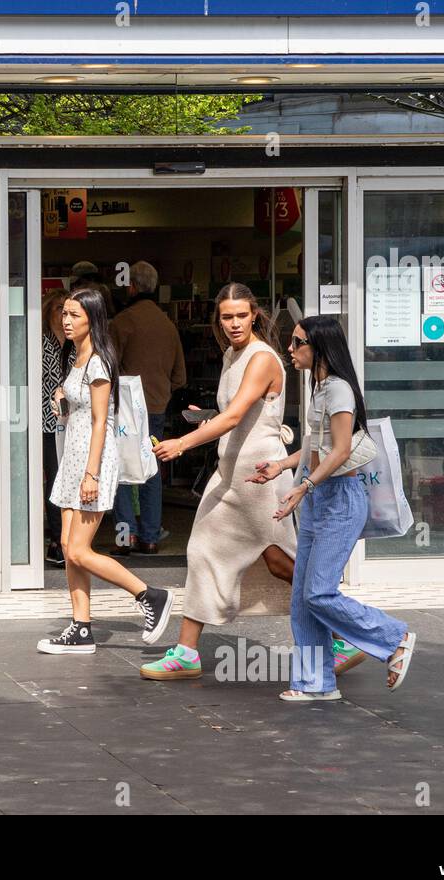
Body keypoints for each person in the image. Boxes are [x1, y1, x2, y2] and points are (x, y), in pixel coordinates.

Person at [250, 315, 416, 701]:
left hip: (340, 498)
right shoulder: (321, 388)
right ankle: (315, 683)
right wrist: (282, 466)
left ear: (320, 347)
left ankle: (394, 637)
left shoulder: (339, 390)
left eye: (297, 343)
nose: (289, 350)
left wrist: (304, 487)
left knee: (320, 593)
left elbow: (341, 451)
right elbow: (315, 446)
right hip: (320, 499)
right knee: (302, 599)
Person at [144, 283, 297, 678]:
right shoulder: (233, 354)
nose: (233, 324)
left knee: (280, 562)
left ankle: (340, 633)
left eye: (241, 315)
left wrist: (182, 443)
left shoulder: (261, 358)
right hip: (231, 472)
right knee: (202, 551)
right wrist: (206, 416)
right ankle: (187, 652)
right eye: (226, 317)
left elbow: (235, 418)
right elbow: (235, 413)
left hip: (260, 476)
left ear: (255, 315)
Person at [38, 287, 173, 654]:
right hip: (73, 457)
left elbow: (101, 422)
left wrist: (91, 473)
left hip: (91, 460)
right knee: (68, 547)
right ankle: (81, 626)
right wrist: (61, 400)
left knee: (80, 550)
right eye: (64, 314)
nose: (66, 321)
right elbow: (79, 413)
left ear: (92, 320)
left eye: (74, 316)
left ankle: (150, 595)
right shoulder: (76, 358)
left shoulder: (98, 361)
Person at [110, 261, 186, 555]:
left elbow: (109, 367)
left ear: (131, 286)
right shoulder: (168, 326)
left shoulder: (122, 322)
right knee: (151, 470)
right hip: (156, 408)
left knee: (121, 470)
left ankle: (125, 536)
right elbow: (180, 377)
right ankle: (150, 537)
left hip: (125, 409)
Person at [41, 289, 73, 566]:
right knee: (54, 479)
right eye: (58, 309)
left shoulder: (78, 345)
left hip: (74, 424)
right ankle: (57, 539)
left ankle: (72, 538)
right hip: (46, 422)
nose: (63, 315)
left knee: (70, 478)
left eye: (68, 310)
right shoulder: (39, 342)